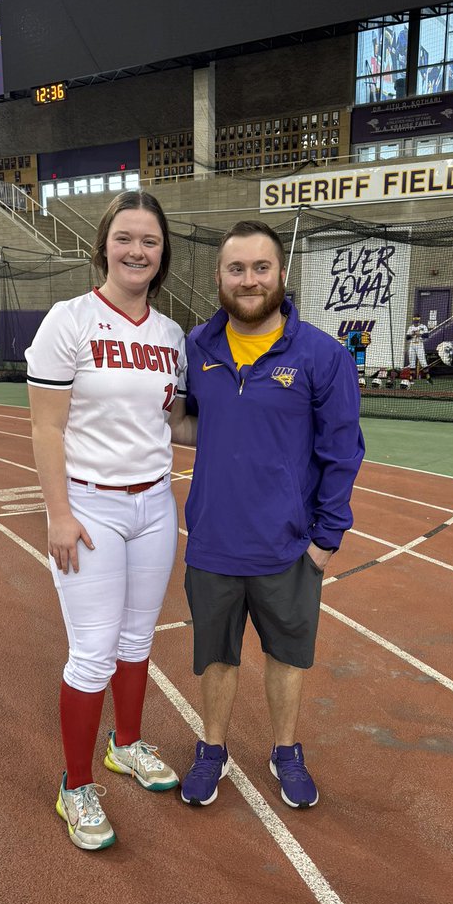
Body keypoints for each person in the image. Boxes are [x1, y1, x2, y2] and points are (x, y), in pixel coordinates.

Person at [25, 190, 193, 852]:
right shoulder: (69, 321)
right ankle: (75, 784)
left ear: (162, 254)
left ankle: (126, 744)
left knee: (136, 639)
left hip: (154, 504)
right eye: (125, 237)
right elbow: (46, 427)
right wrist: (58, 514)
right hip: (89, 505)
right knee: (93, 651)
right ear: (104, 246)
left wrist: (255, 426)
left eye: (149, 241)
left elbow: (173, 422)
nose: (136, 251)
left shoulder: (171, 336)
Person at [179, 221, 365, 810]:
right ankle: (212, 749)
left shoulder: (322, 355)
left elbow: (342, 451)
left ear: (281, 274)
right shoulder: (197, 347)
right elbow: (185, 421)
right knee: (215, 656)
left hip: (287, 546)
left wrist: (325, 539)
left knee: (286, 656)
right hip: (213, 541)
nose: (249, 280)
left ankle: (285, 751)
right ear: (219, 277)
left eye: (261, 268)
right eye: (236, 269)